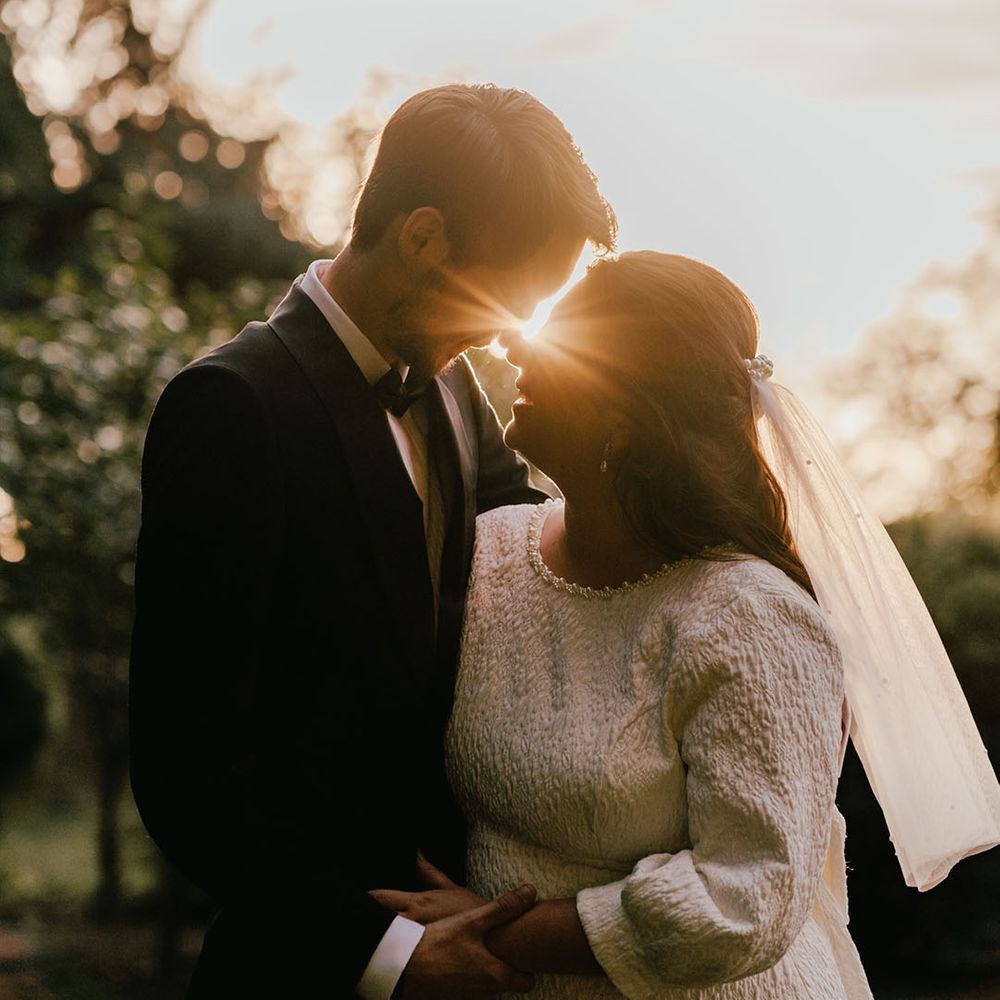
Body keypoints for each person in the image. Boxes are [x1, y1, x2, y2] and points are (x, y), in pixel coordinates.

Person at [374, 251, 1000, 997]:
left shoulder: (752, 618)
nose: (515, 344)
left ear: (628, 421)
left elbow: (744, 901)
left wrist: (499, 931)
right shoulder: (492, 550)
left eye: (567, 335)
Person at [128, 82, 616, 998]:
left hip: (475, 947)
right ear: (424, 238)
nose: (516, 341)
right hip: (305, 969)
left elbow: (563, 564)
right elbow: (187, 775)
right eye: (510, 300)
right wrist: (383, 953)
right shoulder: (232, 409)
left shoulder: (460, 396)